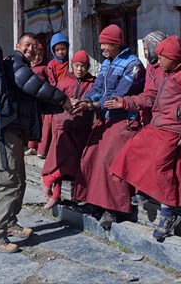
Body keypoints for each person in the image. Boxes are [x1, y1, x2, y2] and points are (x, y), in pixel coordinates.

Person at [108, 35, 181, 241]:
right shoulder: (162, 73)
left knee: (160, 164)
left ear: (172, 57)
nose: (157, 61)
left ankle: (168, 214)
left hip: (173, 129)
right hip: (157, 125)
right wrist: (124, 102)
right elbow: (149, 97)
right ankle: (142, 189)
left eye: (162, 57)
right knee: (133, 148)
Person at [0, 33, 73, 253]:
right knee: (7, 182)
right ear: (17, 46)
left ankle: (10, 222)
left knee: (18, 180)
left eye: (36, 47)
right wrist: (63, 98)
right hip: (2, 135)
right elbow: (35, 86)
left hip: (12, 134)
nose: (32, 49)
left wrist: (65, 107)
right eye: (27, 45)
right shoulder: (15, 65)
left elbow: (36, 104)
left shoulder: (19, 68)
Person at [72, 24, 145, 229]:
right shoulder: (106, 63)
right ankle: (94, 203)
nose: (102, 47)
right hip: (105, 117)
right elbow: (97, 87)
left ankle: (112, 209)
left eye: (105, 43)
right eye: (101, 42)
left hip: (123, 120)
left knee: (108, 161)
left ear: (115, 43)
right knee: (90, 156)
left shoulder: (133, 65)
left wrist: (94, 105)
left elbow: (120, 94)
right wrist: (85, 101)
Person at [105, 30, 167, 206]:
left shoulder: (162, 71)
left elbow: (149, 98)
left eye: (148, 48)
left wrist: (125, 102)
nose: (146, 52)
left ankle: (146, 193)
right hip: (149, 119)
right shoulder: (151, 69)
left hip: (161, 123)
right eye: (144, 48)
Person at [41, 50, 96, 209]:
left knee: (75, 164)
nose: (80, 69)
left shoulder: (93, 82)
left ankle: (56, 184)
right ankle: (55, 194)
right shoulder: (64, 82)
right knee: (59, 162)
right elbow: (55, 104)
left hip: (83, 129)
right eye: (77, 65)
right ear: (72, 65)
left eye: (83, 66)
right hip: (63, 127)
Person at [36, 33, 70, 159]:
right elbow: (52, 81)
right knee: (48, 121)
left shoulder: (70, 62)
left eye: (63, 49)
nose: (61, 52)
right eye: (57, 49)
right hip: (55, 95)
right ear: (53, 51)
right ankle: (44, 149)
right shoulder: (51, 65)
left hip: (68, 94)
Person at [25, 43, 48, 156]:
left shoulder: (44, 68)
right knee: (32, 123)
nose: (38, 58)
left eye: (40, 55)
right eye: (35, 55)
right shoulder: (28, 67)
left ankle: (41, 147)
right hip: (31, 99)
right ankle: (32, 146)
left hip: (42, 99)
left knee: (42, 124)